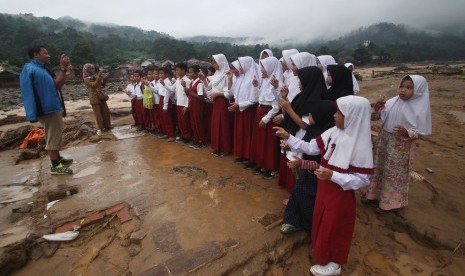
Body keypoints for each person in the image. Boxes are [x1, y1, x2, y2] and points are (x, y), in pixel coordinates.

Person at [275, 95, 374, 276]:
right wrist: (288, 137)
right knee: (323, 221)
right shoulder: (334, 132)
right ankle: (323, 253)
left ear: (352, 116)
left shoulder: (360, 144)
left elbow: (361, 179)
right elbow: (312, 147)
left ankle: (334, 263)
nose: (335, 116)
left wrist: (333, 175)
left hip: (340, 194)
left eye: (339, 112)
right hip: (325, 188)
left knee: (335, 227)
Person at [364, 75, 432, 213]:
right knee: (378, 168)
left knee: (393, 174)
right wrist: (376, 108)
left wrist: (407, 132)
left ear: (418, 90)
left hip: (400, 147)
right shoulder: (392, 102)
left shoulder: (420, 109)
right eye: (402, 86)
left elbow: (420, 132)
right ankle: (372, 195)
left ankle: (388, 203)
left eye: (408, 87)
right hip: (384, 141)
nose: (402, 90)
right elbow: (375, 117)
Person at [274, 100, 336, 234]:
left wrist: (302, 163)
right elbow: (306, 146)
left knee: (306, 198)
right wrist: (289, 144)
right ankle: (293, 221)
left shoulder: (329, 137)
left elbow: (320, 159)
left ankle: (308, 226)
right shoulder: (314, 129)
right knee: (297, 193)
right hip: (308, 172)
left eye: (312, 115)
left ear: (321, 116)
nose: (308, 117)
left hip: (319, 176)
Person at [20, 45, 73, 175]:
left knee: (55, 133)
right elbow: (29, 93)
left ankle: (58, 159)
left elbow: (56, 85)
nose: (48, 55)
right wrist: (34, 111)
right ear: (35, 54)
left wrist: (64, 71)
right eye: (45, 53)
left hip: (52, 107)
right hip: (46, 109)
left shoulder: (41, 69)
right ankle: (55, 166)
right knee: (53, 136)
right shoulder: (31, 70)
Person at [279, 67, 326, 192]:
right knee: (294, 166)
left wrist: (288, 108)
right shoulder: (302, 95)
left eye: (301, 80)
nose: (299, 84)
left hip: (304, 137)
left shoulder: (315, 99)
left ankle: (299, 196)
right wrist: (285, 99)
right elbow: (290, 114)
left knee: (301, 168)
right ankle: (296, 194)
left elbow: (304, 124)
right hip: (296, 135)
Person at [249, 56, 283, 179]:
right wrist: (256, 86)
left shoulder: (277, 84)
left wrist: (265, 119)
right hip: (261, 111)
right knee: (261, 141)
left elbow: (276, 106)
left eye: (263, 67)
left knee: (269, 143)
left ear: (270, 67)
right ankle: (262, 163)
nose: (261, 70)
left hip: (268, 114)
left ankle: (271, 167)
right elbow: (258, 99)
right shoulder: (265, 81)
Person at [228, 57, 259, 163]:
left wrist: (239, 104)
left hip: (248, 110)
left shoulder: (253, 77)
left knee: (248, 134)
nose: (240, 67)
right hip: (240, 108)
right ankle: (242, 154)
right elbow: (233, 92)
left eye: (241, 64)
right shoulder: (242, 77)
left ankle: (249, 156)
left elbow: (254, 99)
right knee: (241, 133)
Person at [207, 54, 234, 156]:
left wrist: (218, 94)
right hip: (216, 102)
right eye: (212, 62)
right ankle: (217, 146)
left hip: (223, 102)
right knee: (216, 125)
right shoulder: (216, 74)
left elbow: (230, 93)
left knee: (224, 125)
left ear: (221, 62)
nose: (213, 64)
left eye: (215, 62)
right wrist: (212, 94)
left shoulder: (227, 74)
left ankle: (226, 148)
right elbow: (209, 88)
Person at [82, 63, 112, 132]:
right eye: (91, 68)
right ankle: (101, 128)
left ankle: (108, 126)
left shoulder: (94, 77)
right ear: (87, 70)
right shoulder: (86, 79)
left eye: (93, 68)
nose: (93, 70)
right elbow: (94, 85)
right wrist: (98, 77)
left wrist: (105, 79)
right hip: (94, 97)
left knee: (106, 111)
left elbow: (102, 85)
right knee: (98, 114)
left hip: (101, 96)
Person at [187, 65, 206, 149]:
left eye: (190, 72)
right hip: (192, 106)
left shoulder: (199, 83)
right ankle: (196, 138)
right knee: (193, 124)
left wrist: (190, 92)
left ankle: (201, 140)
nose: (189, 74)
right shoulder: (192, 82)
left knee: (198, 124)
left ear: (195, 73)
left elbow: (201, 97)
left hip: (198, 107)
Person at [174, 62, 193, 144]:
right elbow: (171, 89)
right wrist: (164, 84)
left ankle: (188, 137)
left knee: (185, 122)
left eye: (177, 70)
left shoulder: (187, 81)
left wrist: (186, 106)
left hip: (184, 104)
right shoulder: (177, 80)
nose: (176, 72)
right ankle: (183, 135)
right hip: (178, 103)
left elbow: (189, 95)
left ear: (183, 70)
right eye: (176, 70)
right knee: (180, 122)